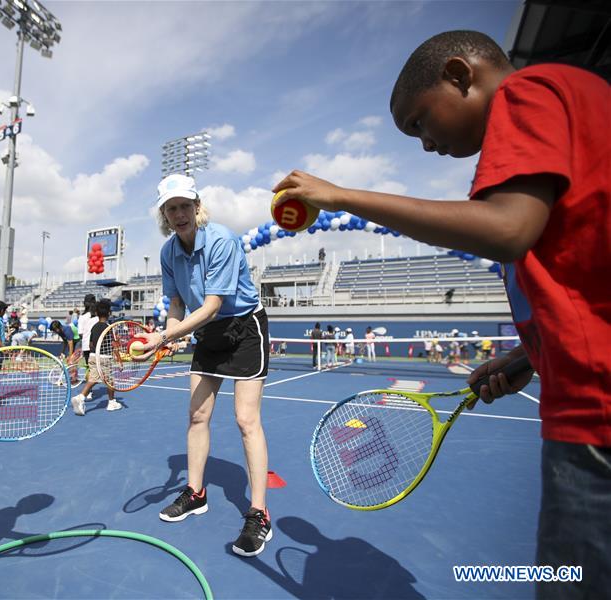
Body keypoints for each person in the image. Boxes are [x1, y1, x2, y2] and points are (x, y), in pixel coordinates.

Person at [273, 30, 610, 596]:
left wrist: (345, 196)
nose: (423, 143)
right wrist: (527, 354)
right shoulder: (580, 99)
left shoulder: (528, 92)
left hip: (595, 412)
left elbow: (507, 230)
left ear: (460, 75)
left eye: (418, 122)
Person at [139, 174, 272, 558]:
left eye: (185, 206)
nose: (179, 214)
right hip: (206, 332)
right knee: (197, 416)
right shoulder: (168, 253)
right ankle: (195, 493)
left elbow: (213, 304)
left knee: (246, 421)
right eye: (171, 208)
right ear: (164, 214)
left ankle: (259, 514)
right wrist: (167, 336)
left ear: (197, 208)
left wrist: (163, 338)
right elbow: (177, 304)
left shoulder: (223, 241)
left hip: (243, 327)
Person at [71, 299, 121, 416]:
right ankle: (112, 402)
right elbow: (113, 345)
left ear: (97, 313)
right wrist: (119, 360)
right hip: (104, 358)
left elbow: (91, 345)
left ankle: (81, 397)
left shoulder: (94, 327)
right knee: (110, 381)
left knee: (93, 379)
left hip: (93, 356)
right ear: (109, 313)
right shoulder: (109, 327)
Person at [49, 319, 80, 385]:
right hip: (72, 342)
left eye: (54, 330)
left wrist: (70, 355)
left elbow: (70, 343)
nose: (54, 332)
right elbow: (65, 342)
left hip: (78, 341)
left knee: (73, 360)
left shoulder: (67, 330)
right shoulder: (60, 332)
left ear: (58, 328)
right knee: (69, 361)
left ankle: (75, 379)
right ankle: (73, 377)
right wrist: (62, 352)